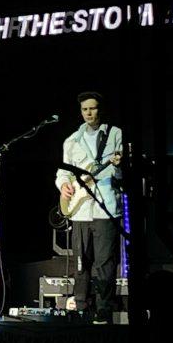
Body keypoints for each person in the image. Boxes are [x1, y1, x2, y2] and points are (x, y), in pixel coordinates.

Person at [55, 92, 123, 324]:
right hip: (81, 210)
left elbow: (120, 172)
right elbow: (63, 171)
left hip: (105, 206)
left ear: (100, 109)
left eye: (93, 108)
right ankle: (82, 307)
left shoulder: (114, 134)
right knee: (81, 261)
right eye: (85, 109)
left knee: (105, 261)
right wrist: (64, 185)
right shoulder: (72, 140)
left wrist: (118, 167)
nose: (89, 113)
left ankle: (104, 310)